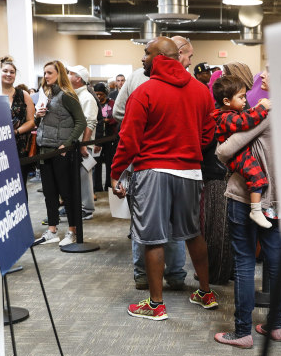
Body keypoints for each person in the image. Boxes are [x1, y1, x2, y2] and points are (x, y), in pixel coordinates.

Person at [111, 36, 217, 321]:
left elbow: (129, 138)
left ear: (159, 57)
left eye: (146, 54)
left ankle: (156, 304)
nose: (142, 59)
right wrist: (190, 146)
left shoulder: (145, 91)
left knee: (153, 237)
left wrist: (116, 172)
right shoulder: (201, 90)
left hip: (153, 171)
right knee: (193, 233)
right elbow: (209, 134)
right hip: (190, 172)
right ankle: (205, 293)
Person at [214, 66, 281, 348]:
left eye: (269, 70)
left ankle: (243, 332)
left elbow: (225, 150)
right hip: (280, 199)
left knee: (245, 263)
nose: (263, 74)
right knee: (276, 262)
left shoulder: (267, 112)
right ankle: (276, 325)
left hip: (250, 197)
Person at [112, 36, 192, 291]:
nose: (187, 59)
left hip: (149, 162)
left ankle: (144, 276)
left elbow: (120, 117)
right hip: (180, 164)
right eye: (186, 54)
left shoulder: (142, 81)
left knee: (144, 224)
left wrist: (144, 127)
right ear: (174, 53)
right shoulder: (143, 79)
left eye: (145, 53)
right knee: (175, 225)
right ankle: (175, 275)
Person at [32, 60, 86, 247]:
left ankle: (72, 230)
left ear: (59, 74)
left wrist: (67, 144)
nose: (45, 76)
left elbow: (81, 122)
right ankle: (52, 229)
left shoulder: (67, 96)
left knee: (67, 192)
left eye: (49, 73)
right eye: (44, 73)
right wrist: (37, 117)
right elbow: (41, 124)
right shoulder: (45, 95)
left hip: (61, 151)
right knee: (49, 192)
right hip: (44, 149)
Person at [212, 75, 272, 228]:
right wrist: (262, 108)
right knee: (257, 175)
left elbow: (246, 117)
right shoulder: (226, 117)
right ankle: (256, 210)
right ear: (226, 101)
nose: (245, 100)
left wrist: (256, 109)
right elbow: (246, 122)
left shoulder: (230, 114)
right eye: (241, 97)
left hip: (240, 153)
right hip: (237, 156)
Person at [0, 56, 36, 186]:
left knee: (19, 185)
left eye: (12, 72)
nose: (8, 74)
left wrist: (16, 131)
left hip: (20, 147)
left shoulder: (23, 95)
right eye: (5, 71)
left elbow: (31, 121)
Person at [67, 65, 98, 221]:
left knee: (84, 177)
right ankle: (78, 206)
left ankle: (87, 208)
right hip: (76, 144)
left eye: (71, 73)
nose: (67, 75)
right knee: (76, 177)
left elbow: (89, 123)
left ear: (78, 78)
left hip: (82, 145)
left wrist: (84, 145)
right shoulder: (75, 95)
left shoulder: (87, 98)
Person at [92, 82, 116, 192]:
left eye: (101, 94)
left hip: (111, 138)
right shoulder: (93, 103)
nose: (99, 96)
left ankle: (109, 186)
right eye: (96, 94)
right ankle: (97, 187)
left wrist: (109, 121)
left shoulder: (112, 103)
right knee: (96, 163)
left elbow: (118, 116)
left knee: (110, 163)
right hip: (97, 138)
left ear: (105, 93)